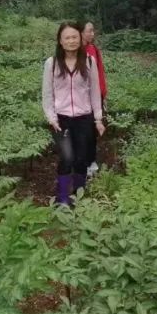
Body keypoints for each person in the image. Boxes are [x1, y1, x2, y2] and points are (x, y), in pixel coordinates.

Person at [42, 22, 105, 205]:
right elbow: (47, 94)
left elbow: (94, 92)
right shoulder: (51, 64)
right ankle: (62, 199)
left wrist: (98, 119)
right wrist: (51, 118)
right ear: (60, 41)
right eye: (67, 37)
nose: (71, 41)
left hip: (84, 118)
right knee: (67, 157)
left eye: (74, 37)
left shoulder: (88, 62)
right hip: (60, 119)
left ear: (80, 39)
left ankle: (79, 195)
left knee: (81, 159)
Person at [81, 21, 108, 177]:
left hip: (94, 96)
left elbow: (100, 73)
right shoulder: (75, 51)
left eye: (93, 31)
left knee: (92, 131)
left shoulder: (94, 50)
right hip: (80, 98)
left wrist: (102, 94)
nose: (92, 34)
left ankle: (91, 162)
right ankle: (81, 163)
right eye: (89, 31)